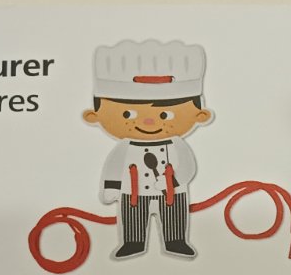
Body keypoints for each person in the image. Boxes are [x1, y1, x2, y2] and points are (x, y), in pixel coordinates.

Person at [83, 40, 212, 259]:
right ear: (93, 116)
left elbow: (187, 167)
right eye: (128, 114)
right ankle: (132, 243)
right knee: (132, 218)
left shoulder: (177, 145)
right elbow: (114, 168)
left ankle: (176, 241)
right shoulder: (125, 147)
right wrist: (112, 187)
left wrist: (172, 182)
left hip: (172, 193)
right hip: (132, 193)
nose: (149, 122)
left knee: (174, 217)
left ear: (201, 115)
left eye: (165, 115)